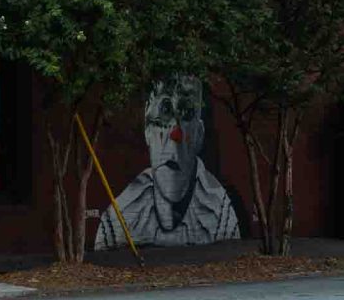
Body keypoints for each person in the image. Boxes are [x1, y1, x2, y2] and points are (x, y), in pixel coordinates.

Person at [95, 77, 241, 250]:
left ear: (199, 135)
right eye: (164, 115)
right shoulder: (119, 217)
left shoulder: (221, 215)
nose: (175, 135)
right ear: (148, 131)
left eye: (186, 114)